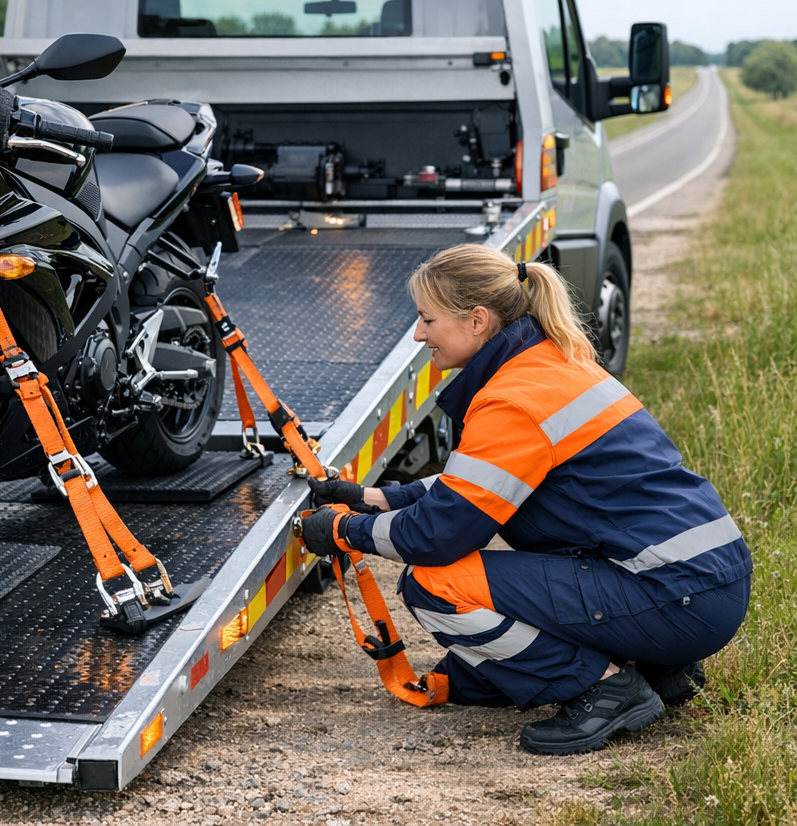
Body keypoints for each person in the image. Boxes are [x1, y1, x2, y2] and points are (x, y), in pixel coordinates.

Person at [301, 244, 751, 755]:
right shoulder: (550, 362)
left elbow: (438, 533)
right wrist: (377, 498)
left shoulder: (512, 399)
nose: (418, 334)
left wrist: (343, 530)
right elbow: (492, 488)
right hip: (706, 584)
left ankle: (604, 688)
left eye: (427, 319)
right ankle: (657, 665)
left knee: (434, 583)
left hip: (678, 598)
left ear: (476, 321)